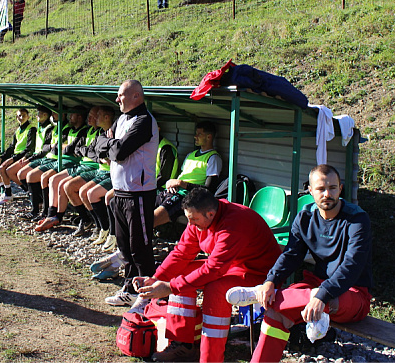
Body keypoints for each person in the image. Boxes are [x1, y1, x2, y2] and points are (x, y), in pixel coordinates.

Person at [227, 164, 372, 363]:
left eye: (332, 188)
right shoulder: (305, 217)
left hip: (352, 294)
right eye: (321, 189)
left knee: (321, 297)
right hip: (315, 289)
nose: (327, 194)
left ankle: (278, 294)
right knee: (274, 312)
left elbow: (352, 266)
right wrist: (270, 281)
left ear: (340, 189)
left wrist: (321, 294)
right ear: (311, 191)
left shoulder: (357, 220)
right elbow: (291, 255)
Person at [136, 187, 282, 363]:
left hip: (261, 275)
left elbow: (214, 269)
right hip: (232, 267)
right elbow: (181, 253)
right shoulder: (199, 219)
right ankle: (182, 344)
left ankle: (210, 358)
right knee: (181, 273)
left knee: (216, 289)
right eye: (189, 219)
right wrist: (156, 279)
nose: (191, 224)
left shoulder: (235, 223)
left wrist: (170, 287)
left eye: (194, 219)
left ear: (211, 214)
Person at [94, 80, 158, 314]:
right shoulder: (122, 119)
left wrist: (110, 144)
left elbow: (119, 152)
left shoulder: (144, 121)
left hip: (138, 194)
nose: (117, 100)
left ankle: (148, 295)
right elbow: (98, 144)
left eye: (120, 95)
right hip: (120, 192)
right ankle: (130, 290)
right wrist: (110, 143)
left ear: (135, 96)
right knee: (125, 247)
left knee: (140, 246)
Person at [153, 121, 222, 229]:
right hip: (173, 190)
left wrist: (183, 184)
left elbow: (209, 189)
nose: (195, 137)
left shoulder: (213, 158)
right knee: (143, 206)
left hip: (187, 196)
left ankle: (140, 241)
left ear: (209, 137)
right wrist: (171, 183)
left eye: (199, 134)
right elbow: (182, 176)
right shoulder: (191, 155)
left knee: (154, 217)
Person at [0, 108, 36, 205]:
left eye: (23, 115)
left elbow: (29, 148)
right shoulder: (18, 130)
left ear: (28, 116)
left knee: (4, 169)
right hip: (15, 155)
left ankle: (12, 193)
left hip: (24, 156)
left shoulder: (31, 129)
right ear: (16, 117)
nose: (21, 117)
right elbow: (12, 147)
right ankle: (6, 191)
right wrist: (1, 157)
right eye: (19, 115)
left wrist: (12, 159)